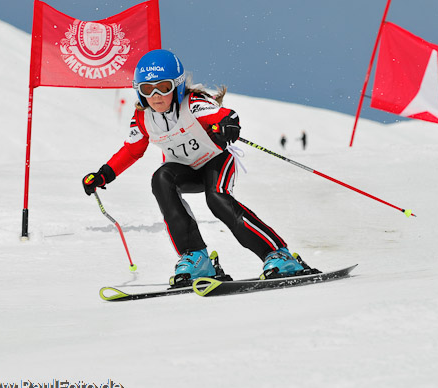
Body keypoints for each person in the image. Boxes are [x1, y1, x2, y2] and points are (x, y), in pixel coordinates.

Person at [82, 49, 304, 286]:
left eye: (163, 87)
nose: (156, 95)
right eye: (147, 89)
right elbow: (132, 150)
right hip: (184, 170)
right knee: (161, 178)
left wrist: (227, 125)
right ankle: (197, 257)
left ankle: (278, 254)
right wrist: (103, 175)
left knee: (217, 199)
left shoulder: (193, 104)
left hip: (215, 161)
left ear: (177, 87)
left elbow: (224, 115)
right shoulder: (143, 118)